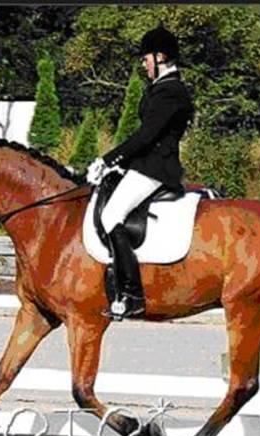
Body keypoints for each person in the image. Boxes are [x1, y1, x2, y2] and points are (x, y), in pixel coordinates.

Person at [87, 24, 194, 320]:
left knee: (111, 216)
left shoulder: (171, 92)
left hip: (156, 168)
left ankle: (132, 294)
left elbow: (147, 135)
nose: (143, 65)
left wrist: (110, 159)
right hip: (146, 164)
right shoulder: (161, 89)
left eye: (146, 59)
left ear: (160, 57)